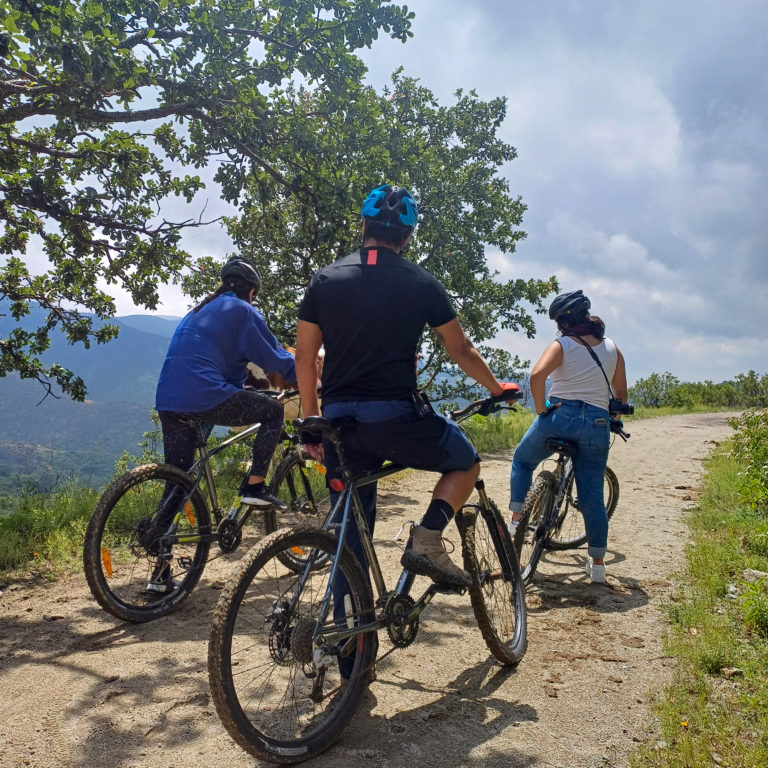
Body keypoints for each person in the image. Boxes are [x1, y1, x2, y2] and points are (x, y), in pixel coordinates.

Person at [295, 184, 518, 678]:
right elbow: (461, 351)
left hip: (338, 425)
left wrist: (311, 419)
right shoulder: (421, 282)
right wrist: (497, 387)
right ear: (408, 236)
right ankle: (427, 538)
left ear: (363, 228)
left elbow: (305, 358)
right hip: (395, 420)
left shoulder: (324, 280)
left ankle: (353, 659)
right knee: (465, 461)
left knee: (349, 534)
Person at [152, 256, 297, 592]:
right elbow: (274, 358)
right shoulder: (244, 310)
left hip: (170, 399)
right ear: (250, 291)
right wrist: (306, 376)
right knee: (273, 413)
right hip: (204, 396)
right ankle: (254, 487)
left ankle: (159, 566)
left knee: (180, 478)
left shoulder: (199, 309)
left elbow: (220, 363)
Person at [508, 289, 628, 583]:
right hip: (596, 423)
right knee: (592, 498)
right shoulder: (613, 348)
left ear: (563, 322)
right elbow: (621, 394)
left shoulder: (562, 345)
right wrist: (612, 419)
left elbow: (537, 377)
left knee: (523, 461)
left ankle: (515, 521)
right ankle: (597, 564)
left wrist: (542, 409)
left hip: (560, 418)